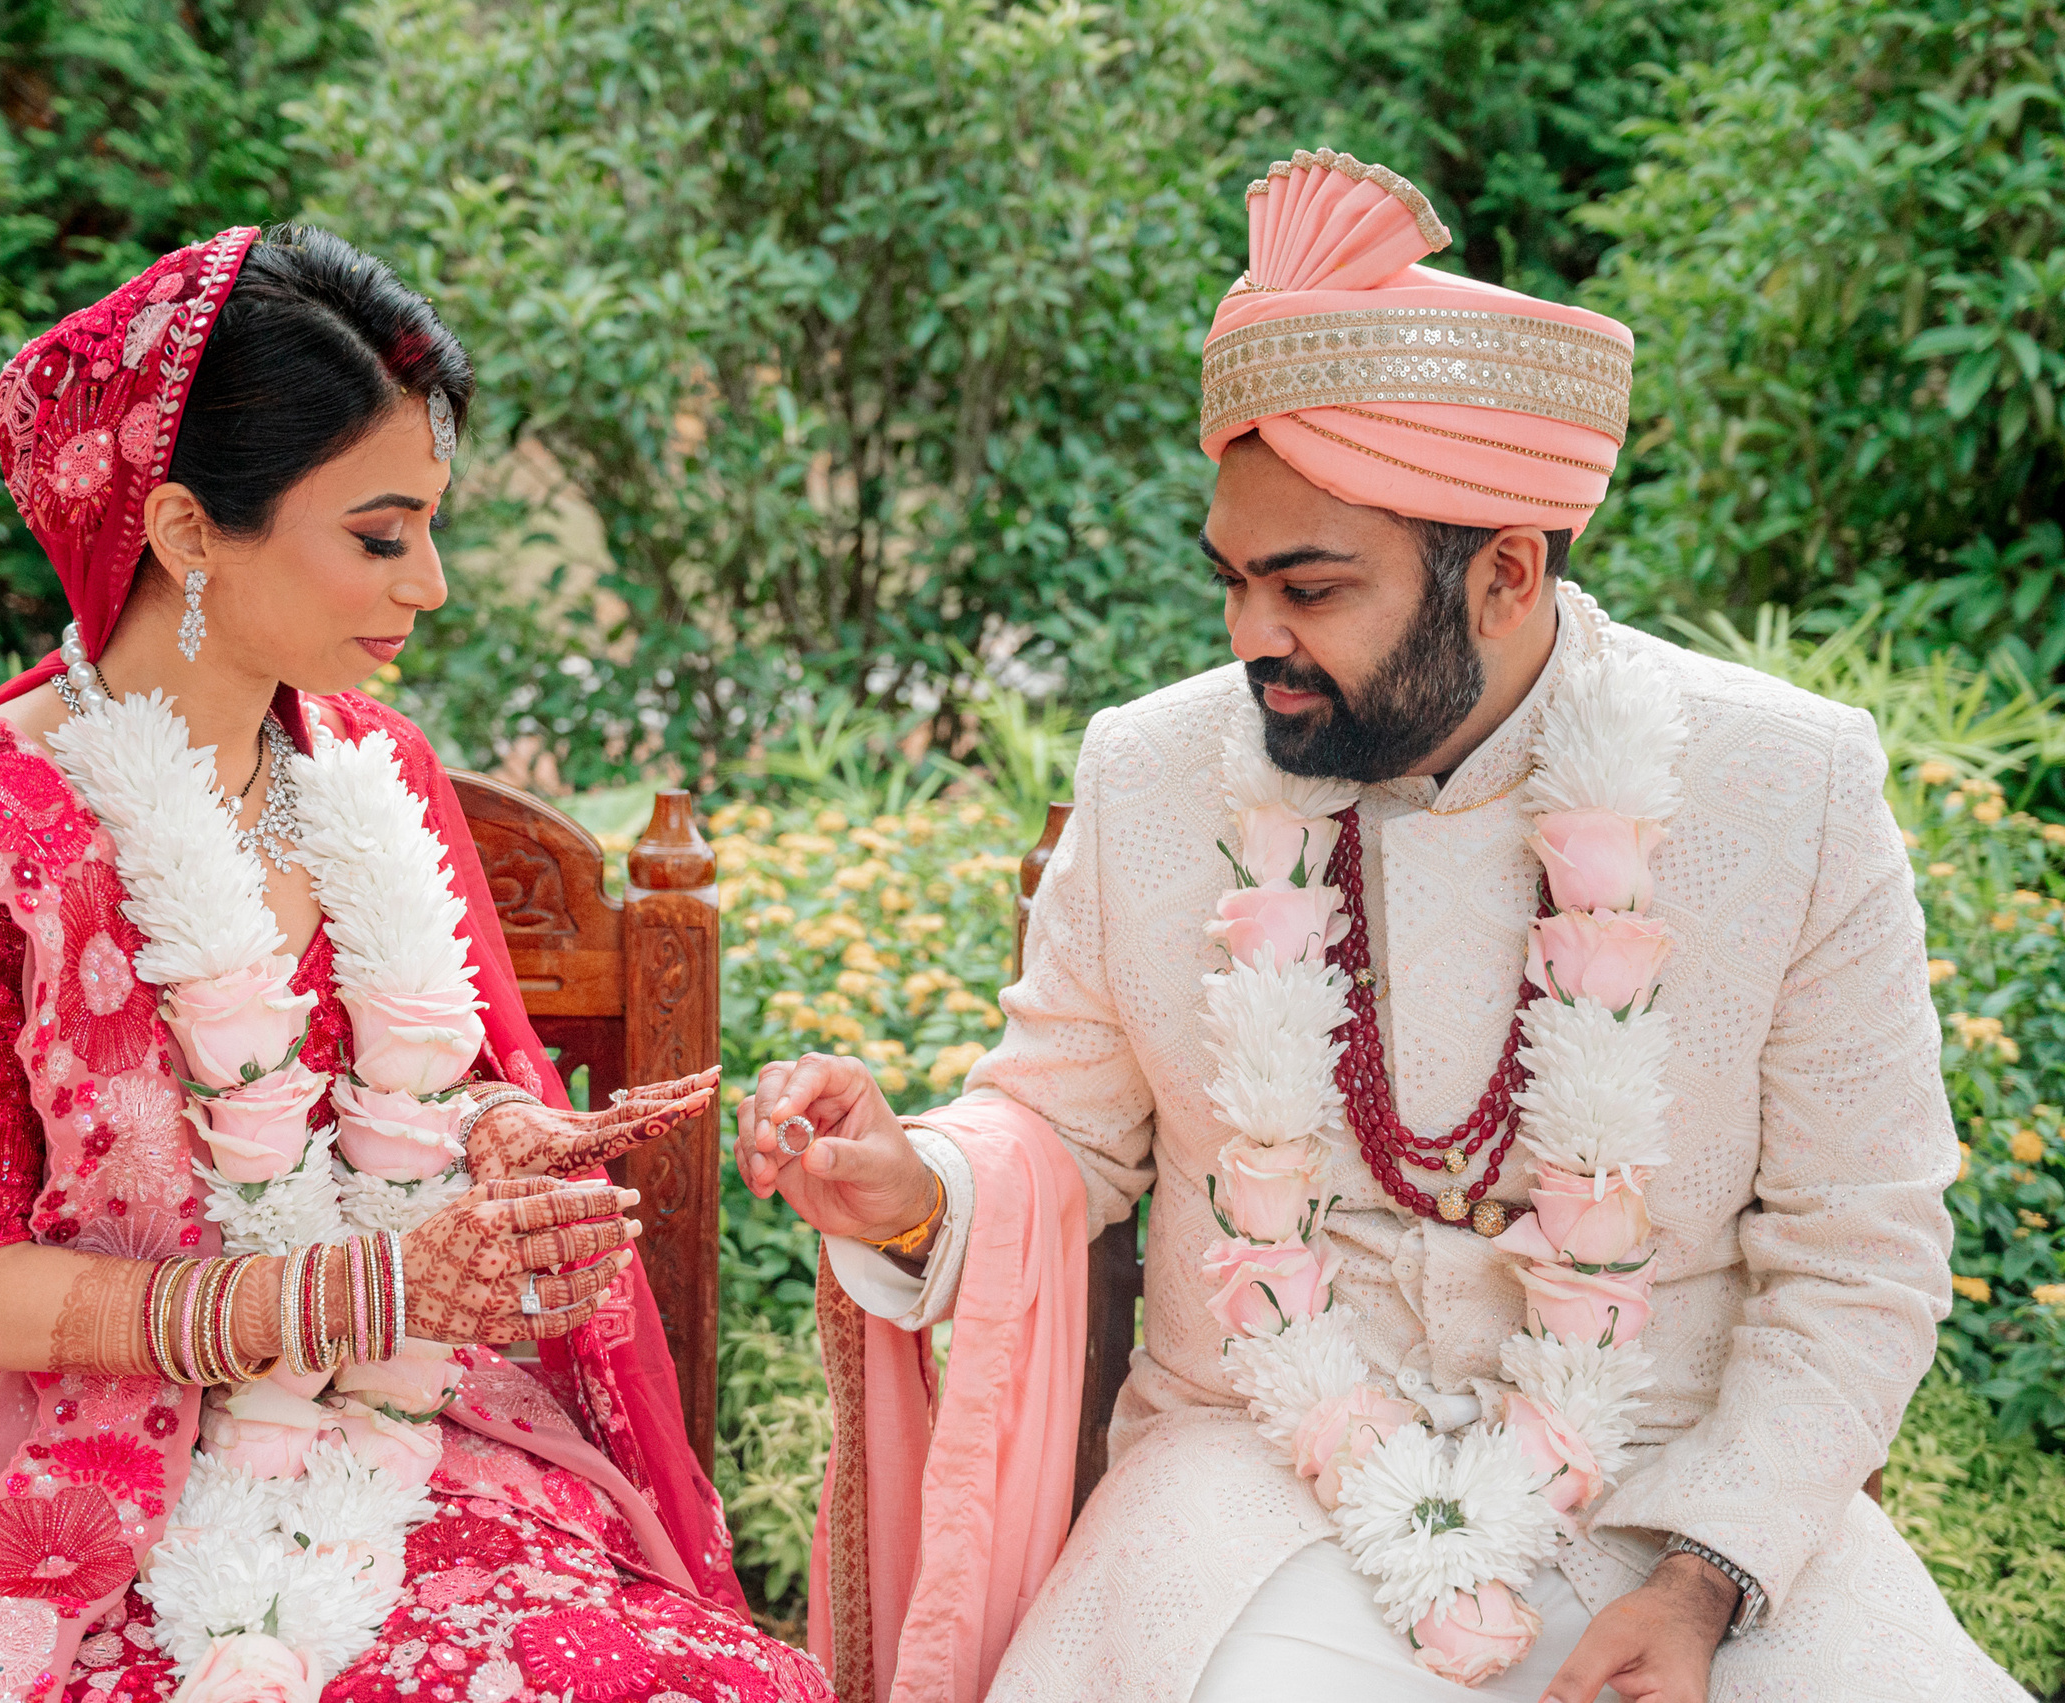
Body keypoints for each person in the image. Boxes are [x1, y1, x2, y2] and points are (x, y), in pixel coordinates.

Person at [736, 152, 2025, 1703]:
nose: (1250, 641)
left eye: (1309, 587)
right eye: (1231, 580)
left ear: (1505, 572)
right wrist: (913, 1189)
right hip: (1251, 1489)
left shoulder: (1787, 786)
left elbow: (1861, 1255)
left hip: (1675, 1503)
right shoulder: (1153, 774)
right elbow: (1056, 1131)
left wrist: (1708, 1577)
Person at [0, 226, 830, 1703]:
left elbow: (447, 1077)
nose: (428, 583)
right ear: (183, 534)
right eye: (379, 535)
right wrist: (353, 1290)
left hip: (417, 1442)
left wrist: (502, 1142)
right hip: (86, 1479)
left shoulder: (372, 766)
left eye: (432, 529)